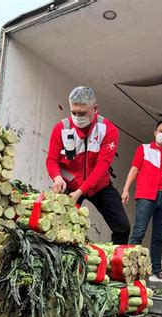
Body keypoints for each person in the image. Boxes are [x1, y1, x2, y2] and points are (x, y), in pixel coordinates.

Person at [46, 86, 130, 244]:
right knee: (59, 227)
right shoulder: (62, 128)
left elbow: (101, 167)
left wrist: (81, 191)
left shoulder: (108, 130)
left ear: (95, 108)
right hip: (69, 185)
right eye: (74, 113)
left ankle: (114, 265)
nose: (77, 117)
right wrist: (57, 177)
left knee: (122, 227)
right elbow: (51, 159)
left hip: (99, 186)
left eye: (82, 113)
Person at [122, 120, 162, 283]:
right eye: (161, 130)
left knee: (158, 237)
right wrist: (126, 189)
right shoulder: (144, 149)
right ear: (155, 132)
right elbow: (134, 169)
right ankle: (129, 270)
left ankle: (157, 271)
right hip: (146, 196)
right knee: (139, 232)